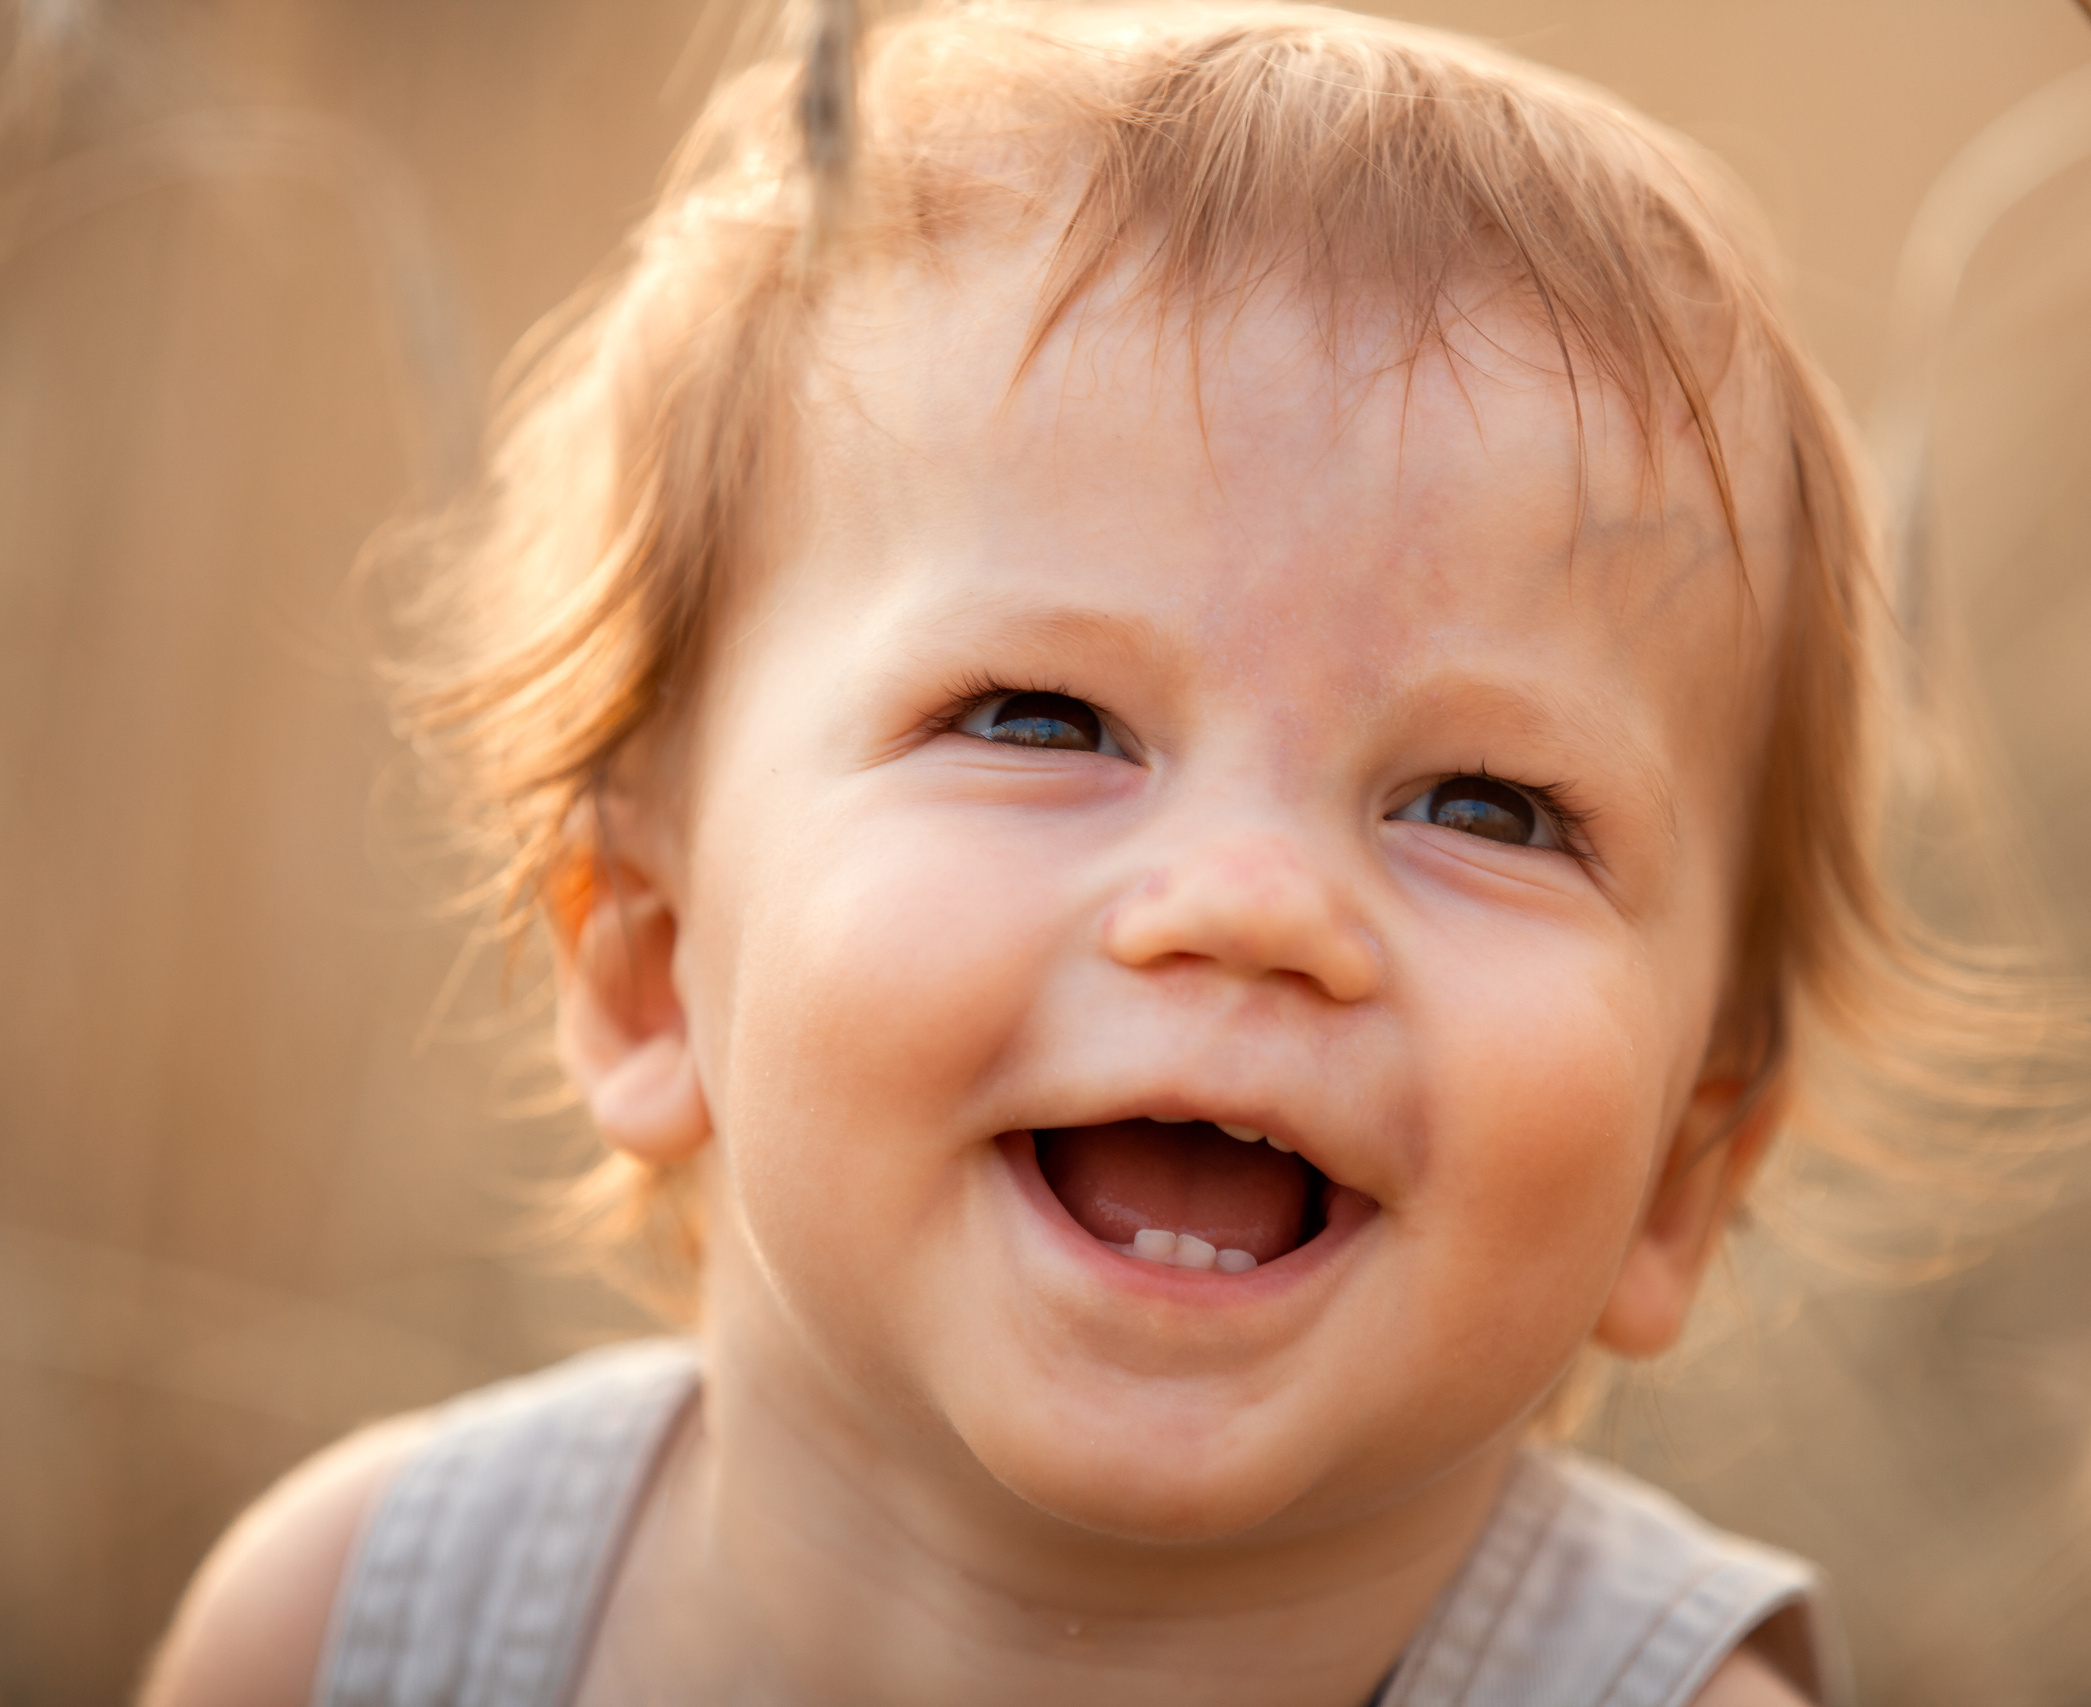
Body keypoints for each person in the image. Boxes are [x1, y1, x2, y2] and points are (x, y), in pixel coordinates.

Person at [143, 4, 1997, 1700]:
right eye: (1042, 721)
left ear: (1684, 1170)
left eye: (1486, 807)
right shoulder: (354, 1632)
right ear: (643, 960)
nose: (1260, 907)